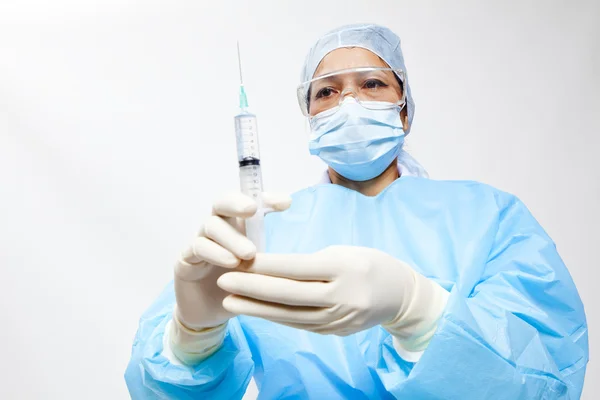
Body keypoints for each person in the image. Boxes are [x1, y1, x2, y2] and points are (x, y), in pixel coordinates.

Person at [125, 23, 588, 399]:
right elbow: (166, 392)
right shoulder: (263, 231)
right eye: (326, 92)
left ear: (404, 110)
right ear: (309, 116)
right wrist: (193, 337)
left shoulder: (488, 217)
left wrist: (418, 309)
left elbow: (544, 379)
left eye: (371, 84)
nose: (349, 103)